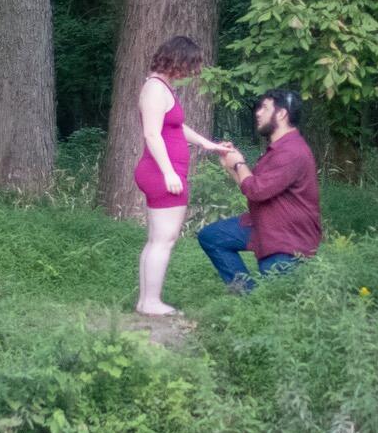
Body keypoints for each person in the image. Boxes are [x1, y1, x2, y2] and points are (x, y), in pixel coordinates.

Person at [133, 35, 234, 318]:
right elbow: (152, 133)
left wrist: (208, 144)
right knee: (164, 239)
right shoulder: (155, 89)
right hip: (161, 172)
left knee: (157, 239)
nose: (190, 73)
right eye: (189, 66)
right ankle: (151, 302)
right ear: (176, 60)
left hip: (163, 171)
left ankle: (145, 301)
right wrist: (168, 172)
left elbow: (176, 128)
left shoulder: (162, 88)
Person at [198, 89, 322, 293]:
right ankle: (247, 296)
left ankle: (253, 302)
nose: (257, 113)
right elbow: (251, 186)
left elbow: (256, 190)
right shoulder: (278, 149)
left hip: (287, 238)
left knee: (277, 303)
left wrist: (239, 164)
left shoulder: (292, 152)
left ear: (281, 114)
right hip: (265, 224)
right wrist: (231, 165)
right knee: (213, 237)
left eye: (264, 108)